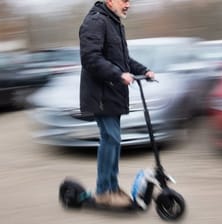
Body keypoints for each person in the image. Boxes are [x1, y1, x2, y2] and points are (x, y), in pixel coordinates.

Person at [79, 0, 155, 208]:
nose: (128, 4)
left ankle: (111, 187)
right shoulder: (95, 21)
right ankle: (104, 191)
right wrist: (118, 75)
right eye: (124, 0)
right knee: (110, 138)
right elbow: (90, 58)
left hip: (112, 93)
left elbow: (123, 59)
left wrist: (144, 71)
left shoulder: (113, 23)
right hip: (101, 94)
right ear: (109, 1)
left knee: (114, 139)